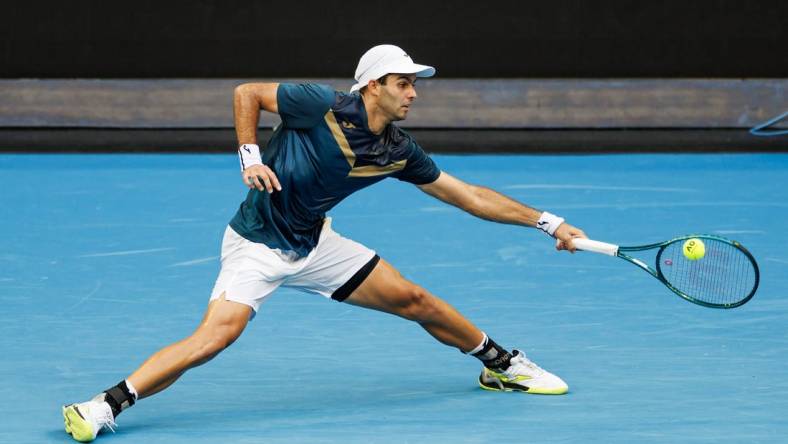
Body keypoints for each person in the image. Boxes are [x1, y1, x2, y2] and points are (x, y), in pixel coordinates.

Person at [62, 44, 587, 442]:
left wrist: (547, 222)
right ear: (374, 85)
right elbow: (248, 92)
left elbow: (468, 195)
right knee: (216, 336)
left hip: (316, 245)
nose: (413, 93)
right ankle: (105, 405)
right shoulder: (320, 104)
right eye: (404, 83)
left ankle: (501, 365)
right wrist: (250, 156)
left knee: (415, 300)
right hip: (259, 244)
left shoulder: (398, 150)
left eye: (413, 84)